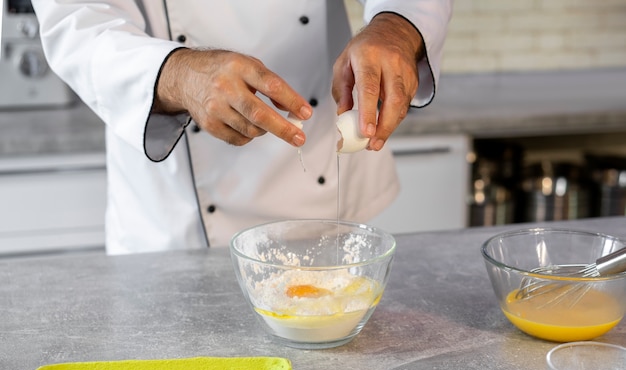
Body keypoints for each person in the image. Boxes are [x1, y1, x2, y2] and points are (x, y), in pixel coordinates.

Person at [32, 1, 452, 255]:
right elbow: (76, 20)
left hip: (332, 202)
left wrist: (397, 26)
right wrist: (177, 74)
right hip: (179, 225)